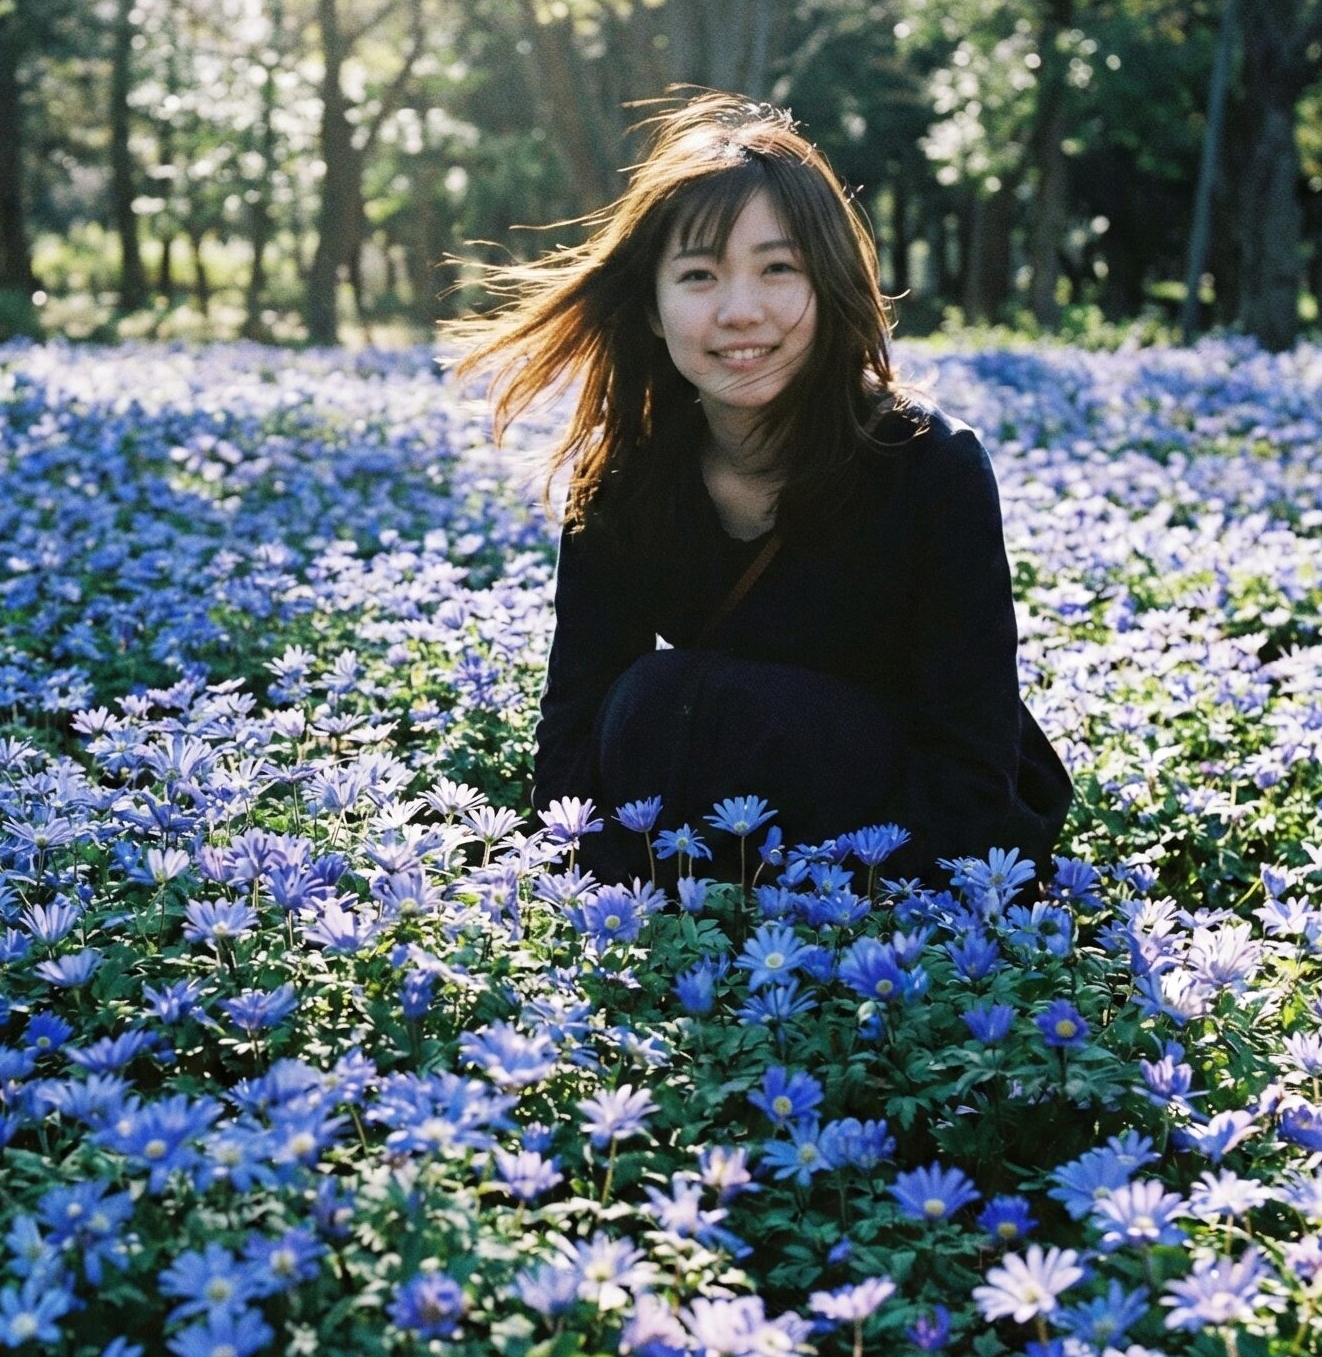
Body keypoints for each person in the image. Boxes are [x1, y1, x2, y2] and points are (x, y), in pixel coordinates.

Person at [441, 88, 1072, 892]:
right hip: (713, 826)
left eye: (778, 268)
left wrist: (885, 911)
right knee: (653, 702)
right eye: (699, 275)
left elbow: (970, 758)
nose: (741, 311)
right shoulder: (624, 476)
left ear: (831, 286)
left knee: (678, 701)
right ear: (653, 312)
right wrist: (578, 893)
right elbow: (576, 728)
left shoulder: (928, 464)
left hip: (908, 844)